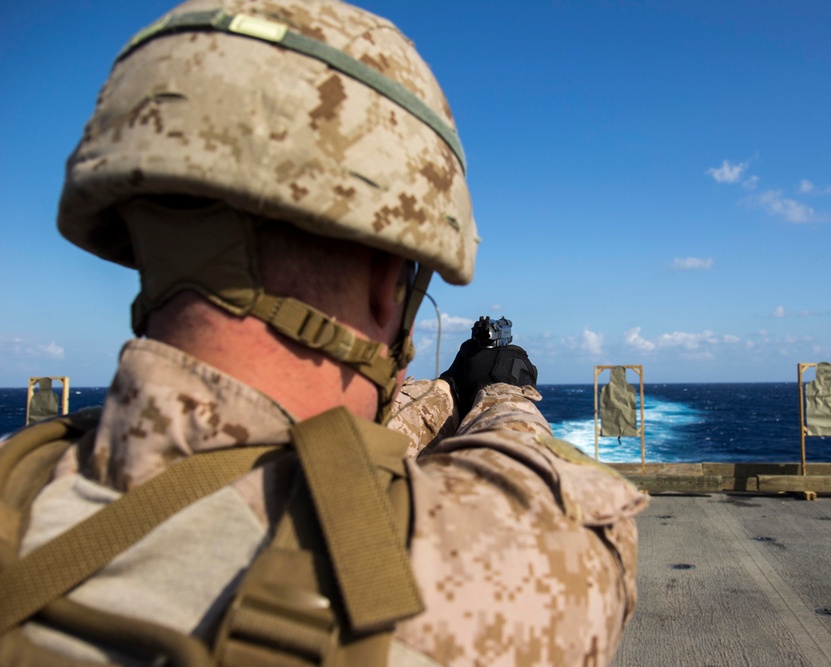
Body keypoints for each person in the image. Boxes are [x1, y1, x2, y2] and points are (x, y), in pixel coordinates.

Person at [0, 1, 647, 665]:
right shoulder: (452, 584)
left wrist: (452, 388)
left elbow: (283, 447)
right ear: (384, 280)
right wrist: (505, 394)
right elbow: (580, 525)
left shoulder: (28, 475)